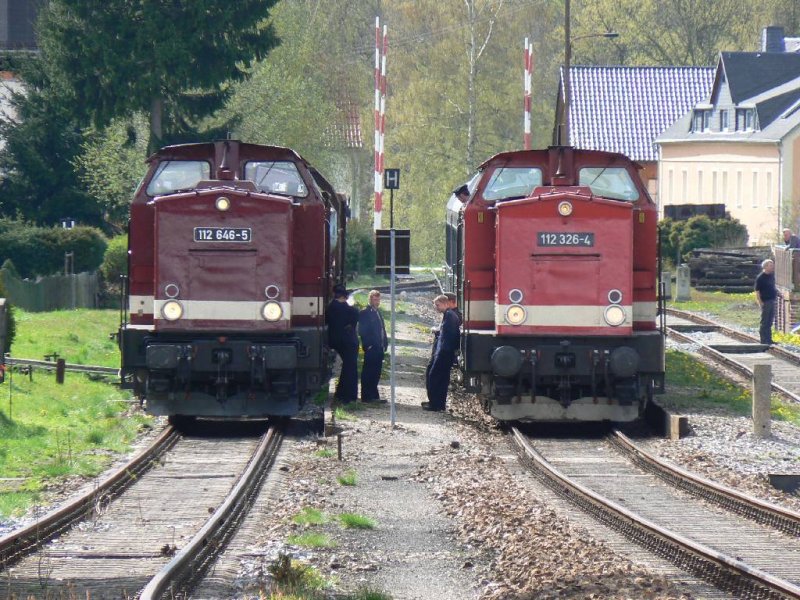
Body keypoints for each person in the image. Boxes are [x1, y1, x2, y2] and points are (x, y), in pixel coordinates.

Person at [423, 294, 461, 412]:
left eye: (438, 305)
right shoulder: (449, 315)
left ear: (445, 303)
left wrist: (442, 352)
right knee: (441, 378)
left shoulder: (449, 316)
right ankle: (439, 404)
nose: (436, 308)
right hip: (445, 352)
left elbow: (448, 337)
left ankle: (435, 404)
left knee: (435, 376)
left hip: (444, 352)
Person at [326, 284, 359, 403]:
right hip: (347, 341)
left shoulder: (331, 307)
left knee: (348, 367)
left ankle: (342, 393)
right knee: (350, 368)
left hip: (337, 340)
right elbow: (356, 314)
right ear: (344, 297)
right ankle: (347, 395)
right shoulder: (344, 308)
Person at [358, 290, 388, 403]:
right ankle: (366, 396)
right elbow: (362, 330)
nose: (377, 302)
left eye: (378, 299)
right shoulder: (365, 312)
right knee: (368, 371)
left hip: (379, 346)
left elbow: (382, 329)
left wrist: (384, 343)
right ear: (370, 300)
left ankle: (374, 395)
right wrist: (368, 345)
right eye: (375, 299)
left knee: (376, 371)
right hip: (372, 346)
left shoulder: (378, 312)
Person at [755, 259, 777, 345]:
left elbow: (772, 287)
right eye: (771, 266)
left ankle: (769, 339)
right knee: (764, 321)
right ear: (765, 267)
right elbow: (757, 291)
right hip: (765, 301)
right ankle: (763, 340)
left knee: (770, 321)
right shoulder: (760, 277)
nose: (773, 267)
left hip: (772, 300)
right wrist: (760, 303)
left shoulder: (771, 276)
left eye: (773, 265)